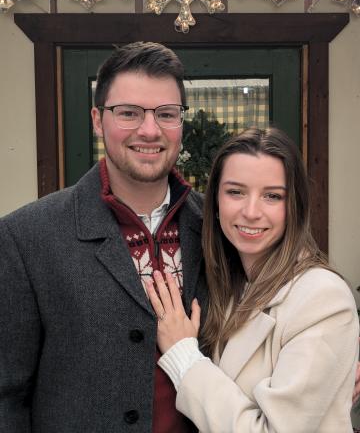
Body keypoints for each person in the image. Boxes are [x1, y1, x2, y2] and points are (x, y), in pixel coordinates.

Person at [0, 42, 207, 432]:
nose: (149, 129)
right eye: (128, 113)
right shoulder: (25, 238)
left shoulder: (219, 227)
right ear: (97, 120)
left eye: (166, 114)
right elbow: (7, 395)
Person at [146, 127, 360, 433]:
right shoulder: (226, 285)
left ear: (294, 207)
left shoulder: (322, 298)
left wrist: (184, 357)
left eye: (272, 196)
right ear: (215, 202)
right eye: (235, 192)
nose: (250, 211)